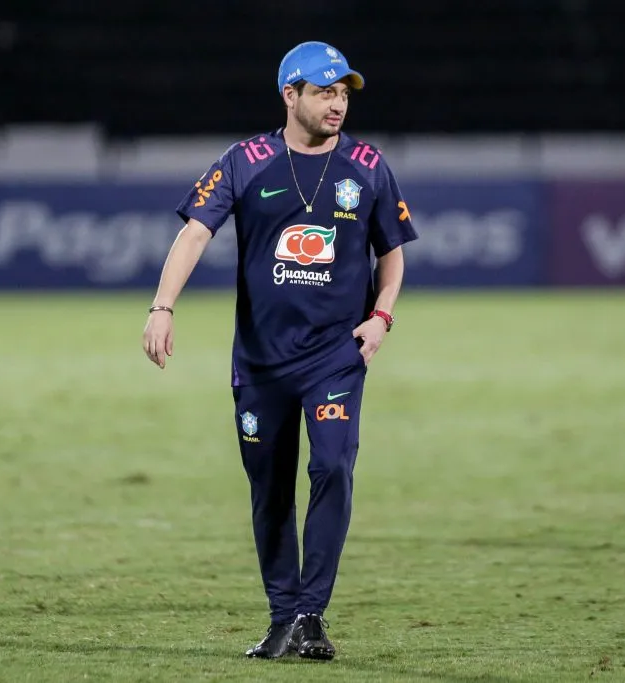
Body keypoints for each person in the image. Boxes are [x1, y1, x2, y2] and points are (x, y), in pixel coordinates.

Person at [141, 41, 418, 659]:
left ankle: (312, 616)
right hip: (261, 364)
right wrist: (162, 307)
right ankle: (282, 616)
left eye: (343, 92)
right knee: (269, 490)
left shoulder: (369, 166)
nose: (337, 104)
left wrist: (381, 317)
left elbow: (392, 252)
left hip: (335, 358)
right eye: (324, 92)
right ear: (290, 95)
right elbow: (194, 233)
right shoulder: (246, 161)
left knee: (332, 468)